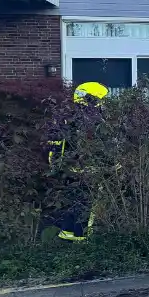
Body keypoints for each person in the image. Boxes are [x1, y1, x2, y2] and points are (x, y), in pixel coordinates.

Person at [46, 82, 109, 241]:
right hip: (89, 170)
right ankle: (82, 239)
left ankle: (67, 234)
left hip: (67, 169)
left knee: (73, 203)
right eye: (102, 100)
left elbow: (55, 145)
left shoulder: (66, 117)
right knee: (87, 206)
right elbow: (102, 146)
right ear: (93, 99)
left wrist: (56, 166)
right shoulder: (93, 120)